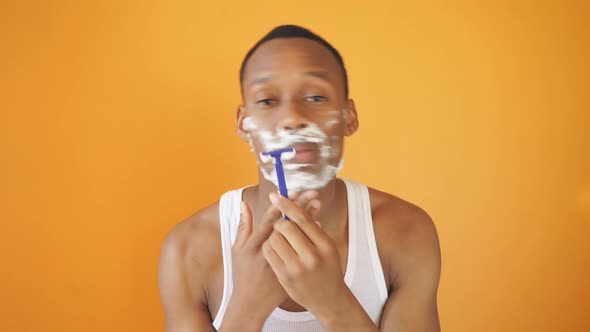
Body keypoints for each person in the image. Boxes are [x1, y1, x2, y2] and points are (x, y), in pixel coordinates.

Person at [158, 25, 441, 332]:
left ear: (349, 117)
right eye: (267, 101)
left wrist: (333, 304)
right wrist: (246, 308)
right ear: (243, 124)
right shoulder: (188, 249)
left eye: (316, 97)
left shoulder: (406, 233)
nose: (292, 117)